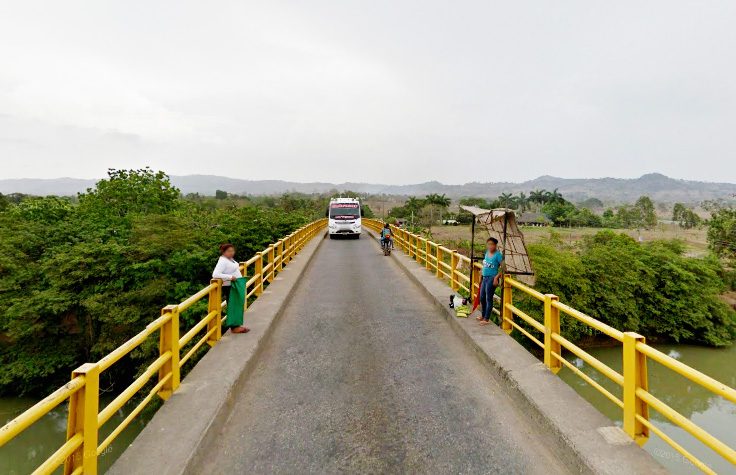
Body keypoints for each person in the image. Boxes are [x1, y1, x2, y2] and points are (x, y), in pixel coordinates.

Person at [212, 243, 249, 334]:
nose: (231, 253)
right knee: (233, 306)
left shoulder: (230, 259)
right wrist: (230, 277)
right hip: (230, 286)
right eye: (229, 251)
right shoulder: (222, 261)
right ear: (223, 252)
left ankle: (237, 325)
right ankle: (234, 328)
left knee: (237, 305)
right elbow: (215, 274)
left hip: (235, 285)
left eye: (232, 251)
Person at [477, 237, 503, 326]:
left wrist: (496, 278)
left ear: (495, 245)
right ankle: (483, 315)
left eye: (492, 244)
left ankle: (486, 319)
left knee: (488, 298)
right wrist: (481, 274)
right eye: (488, 244)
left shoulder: (498, 255)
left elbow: (503, 268)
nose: (490, 246)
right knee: (482, 297)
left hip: (492, 278)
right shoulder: (487, 253)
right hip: (485, 277)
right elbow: (485, 265)